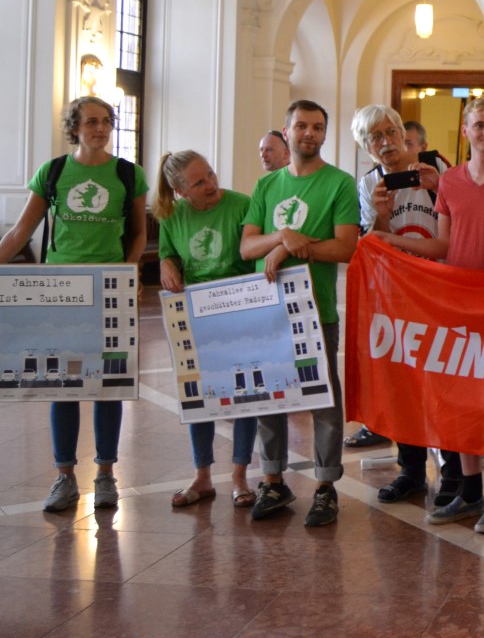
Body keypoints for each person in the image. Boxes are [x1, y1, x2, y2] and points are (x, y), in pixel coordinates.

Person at [383, 96, 484, 534]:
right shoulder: (450, 183)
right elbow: (442, 246)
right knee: (461, 400)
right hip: (458, 302)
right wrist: (387, 240)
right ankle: (469, 492)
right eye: (479, 125)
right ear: (465, 131)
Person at [0, 96, 148, 512]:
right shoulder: (53, 173)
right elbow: (19, 233)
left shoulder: (128, 173)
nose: (100, 129)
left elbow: (138, 233)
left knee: (109, 385)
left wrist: (128, 270)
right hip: (59, 289)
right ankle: (64, 476)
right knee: (62, 385)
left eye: (106, 122)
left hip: (108, 288)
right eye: (91, 122)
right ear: (74, 128)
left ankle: (105, 475)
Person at [240, 100, 360, 527]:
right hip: (266, 308)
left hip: (315, 308)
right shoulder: (266, 186)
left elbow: (346, 247)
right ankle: (272, 481)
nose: (310, 133)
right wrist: (280, 238)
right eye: (302, 126)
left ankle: (326, 487)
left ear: (324, 135)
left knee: (323, 398)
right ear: (286, 132)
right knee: (269, 394)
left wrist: (288, 245)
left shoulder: (339, 184)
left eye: (318, 127)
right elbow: (246, 247)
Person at [349, 104, 462, 506]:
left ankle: (454, 473)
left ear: (403, 134)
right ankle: (411, 470)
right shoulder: (369, 184)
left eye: (389, 133)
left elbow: (461, 221)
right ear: (366, 147)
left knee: (443, 385)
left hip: (438, 290)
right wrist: (380, 216)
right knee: (404, 387)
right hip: (396, 296)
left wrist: (437, 188)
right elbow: (371, 243)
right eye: (373, 138)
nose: (384, 143)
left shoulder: (438, 167)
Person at [154, 150, 257, 509]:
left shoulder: (242, 205)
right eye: (200, 182)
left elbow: (255, 253)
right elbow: (168, 252)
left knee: (244, 395)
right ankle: (203, 475)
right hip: (196, 312)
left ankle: (240, 475)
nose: (211, 184)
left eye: (211, 174)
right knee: (198, 396)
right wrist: (166, 264)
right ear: (181, 191)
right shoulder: (171, 216)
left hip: (240, 307)